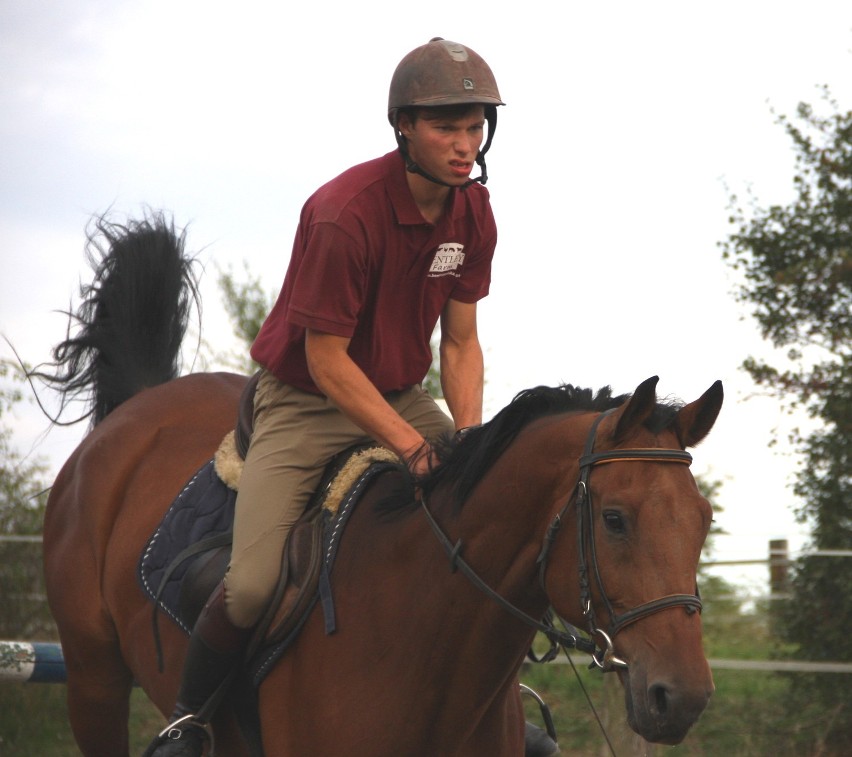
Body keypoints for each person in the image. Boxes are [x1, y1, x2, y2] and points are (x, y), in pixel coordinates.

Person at [145, 37, 504, 756]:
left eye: (475, 127)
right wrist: (409, 447)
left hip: (401, 391)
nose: (464, 145)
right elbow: (327, 360)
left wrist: (469, 442)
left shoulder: (475, 215)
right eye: (446, 127)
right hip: (307, 401)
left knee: (487, 529)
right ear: (403, 126)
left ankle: (502, 714)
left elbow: (459, 342)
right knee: (249, 586)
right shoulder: (346, 214)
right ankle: (187, 722)